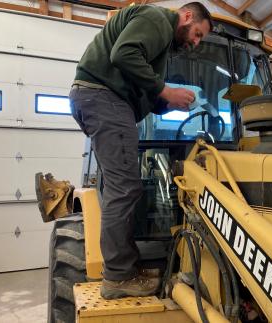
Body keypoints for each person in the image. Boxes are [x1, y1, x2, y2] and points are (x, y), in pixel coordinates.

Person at [69, 2, 212, 299]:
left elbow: (140, 85)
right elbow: (123, 54)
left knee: (124, 187)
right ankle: (118, 278)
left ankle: (127, 268)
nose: (195, 42)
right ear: (186, 17)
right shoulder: (158, 19)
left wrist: (167, 101)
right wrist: (166, 91)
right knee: (124, 188)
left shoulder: (159, 43)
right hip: (103, 98)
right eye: (197, 34)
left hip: (101, 100)